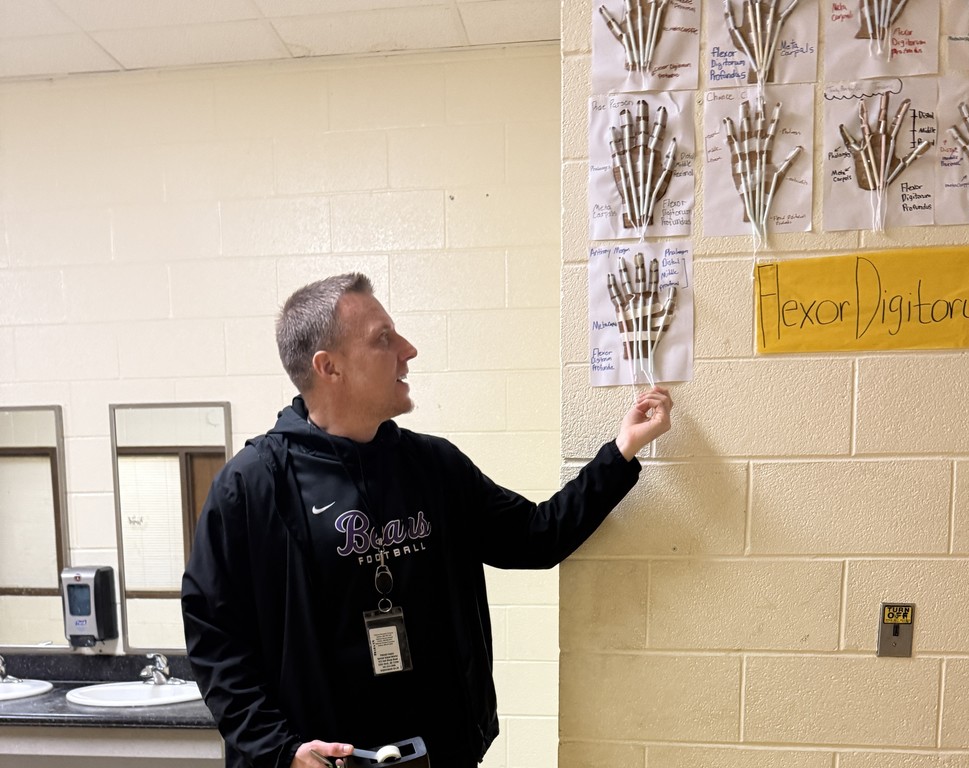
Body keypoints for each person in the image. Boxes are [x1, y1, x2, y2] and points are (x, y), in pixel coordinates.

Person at [181, 273, 673, 768]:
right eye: (383, 339)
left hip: (441, 753)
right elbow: (216, 638)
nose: (408, 350)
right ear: (329, 368)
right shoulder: (252, 487)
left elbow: (536, 536)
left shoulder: (433, 468)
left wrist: (621, 453)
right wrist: (280, 750)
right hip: (324, 760)